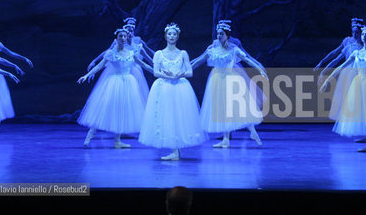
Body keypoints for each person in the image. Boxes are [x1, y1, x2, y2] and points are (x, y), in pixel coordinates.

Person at [191, 20, 267, 148]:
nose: (219, 36)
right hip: (216, 80)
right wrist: (184, 69)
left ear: (227, 35)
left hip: (231, 79)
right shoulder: (212, 49)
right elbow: (198, 60)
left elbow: (247, 59)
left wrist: (259, 69)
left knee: (237, 107)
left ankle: (252, 131)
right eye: (218, 34)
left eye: (221, 34)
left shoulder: (234, 49)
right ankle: (226, 139)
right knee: (223, 108)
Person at [139, 23, 206, 160]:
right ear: (165, 36)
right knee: (167, 116)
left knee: (178, 116)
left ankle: (175, 151)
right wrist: (167, 75)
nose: (172, 36)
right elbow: (156, 72)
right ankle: (175, 150)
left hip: (179, 86)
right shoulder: (159, 54)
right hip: (163, 86)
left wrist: (178, 75)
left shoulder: (183, 53)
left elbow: (189, 72)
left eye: (174, 34)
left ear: (178, 36)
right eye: (169, 34)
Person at [77, 28, 152, 148]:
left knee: (122, 110)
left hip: (128, 82)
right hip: (114, 82)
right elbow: (100, 66)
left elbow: (143, 64)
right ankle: (91, 132)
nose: (123, 38)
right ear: (116, 39)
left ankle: (117, 140)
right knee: (104, 106)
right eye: (120, 36)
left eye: (125, 36)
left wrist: (157, 71)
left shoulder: (131, 53)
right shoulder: (111, 53)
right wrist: (86, 75)